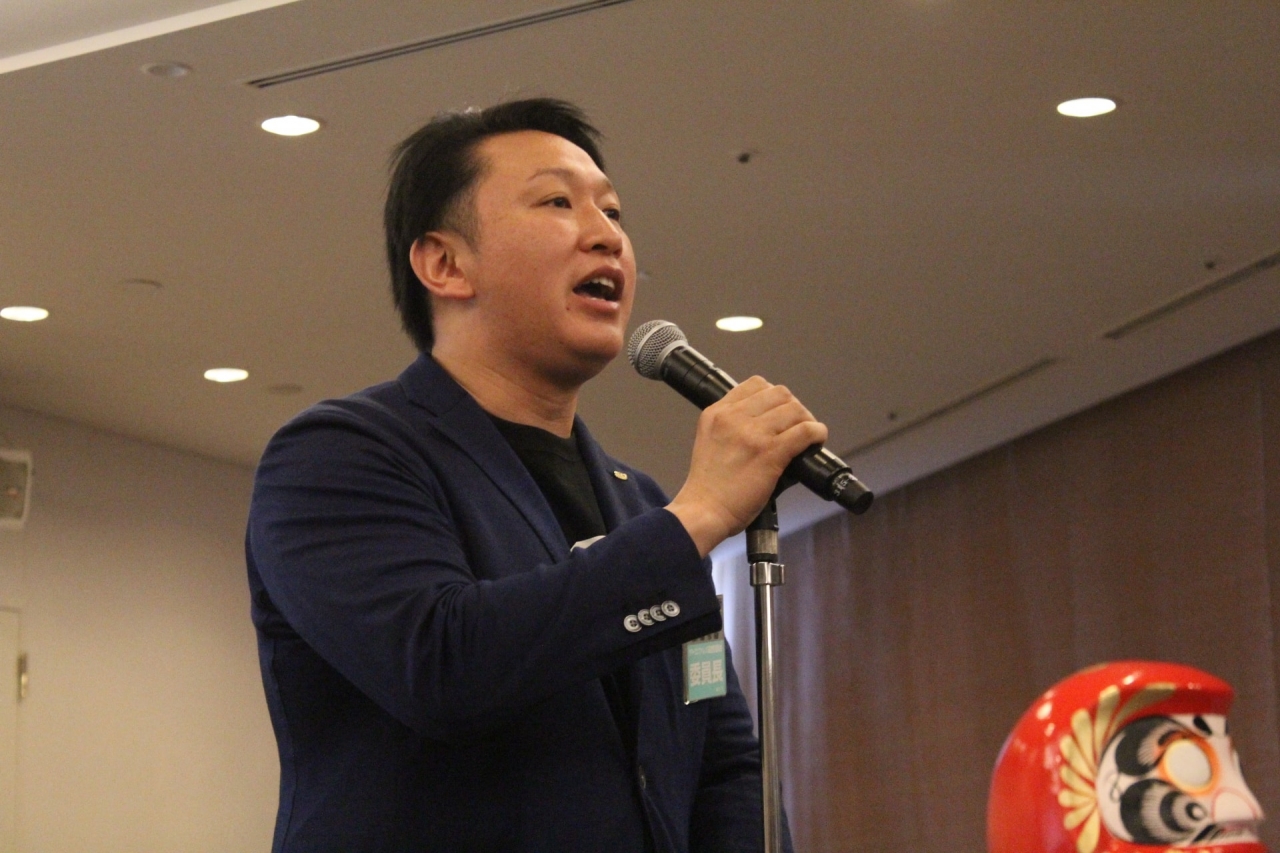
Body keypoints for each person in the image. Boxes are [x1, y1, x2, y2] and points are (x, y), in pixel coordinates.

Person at [246, 98, 822, 852]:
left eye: (612, 212)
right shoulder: (339, 454)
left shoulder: (640, 503)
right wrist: (701, 515)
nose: (606, 234)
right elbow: (442, 665)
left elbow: (720, 761)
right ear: (445, 264)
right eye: (557, 202)